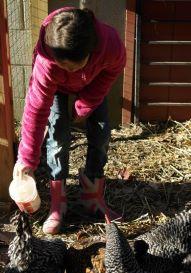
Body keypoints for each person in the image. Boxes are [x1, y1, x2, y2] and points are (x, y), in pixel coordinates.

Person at [13, 7, 126, 234]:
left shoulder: (110, 44)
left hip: (93, 84)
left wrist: (85, 105)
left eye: (75, 65)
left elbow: (111, 72)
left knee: (102, 132)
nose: (70, 70)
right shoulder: (47, 62)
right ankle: (58, 202)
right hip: (57, 88)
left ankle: (92, 195)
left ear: (91, 51)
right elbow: (35, 110)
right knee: (58, 137)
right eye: (64, 65)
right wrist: (26, 159)